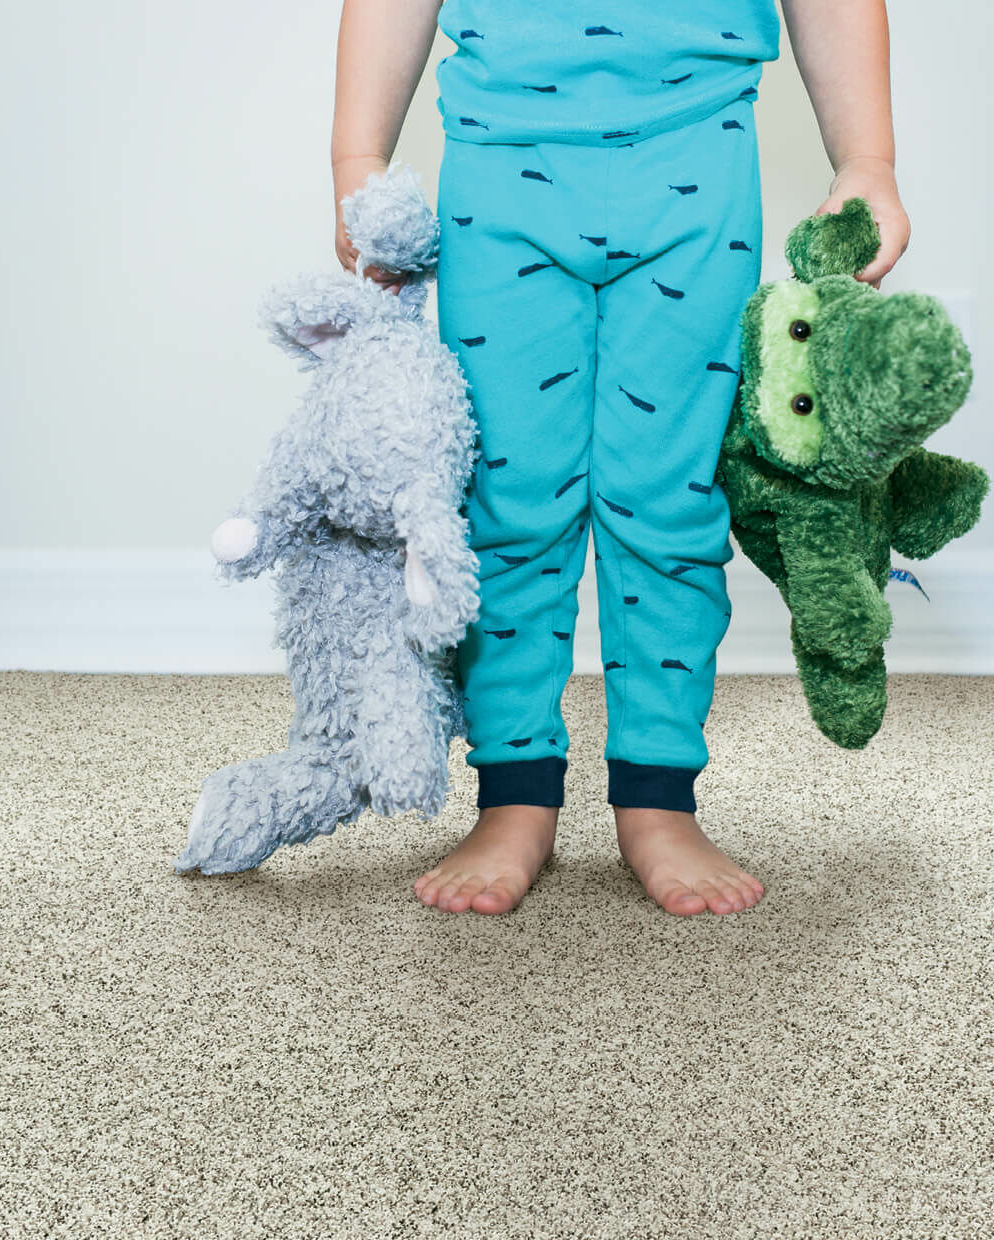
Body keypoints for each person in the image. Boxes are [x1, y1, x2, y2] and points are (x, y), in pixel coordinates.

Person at [332, 0, 910, 916]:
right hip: (502, 160)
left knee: (668, 498)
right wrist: (356, 162)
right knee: (510, 495)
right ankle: (514, 787)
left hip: (697, 155)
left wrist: (866, 160)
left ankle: (658, 794)